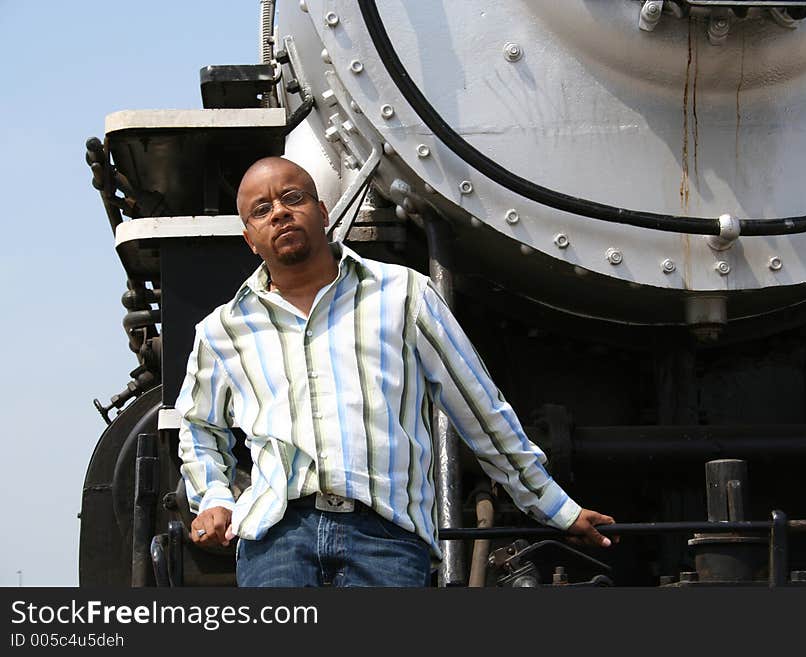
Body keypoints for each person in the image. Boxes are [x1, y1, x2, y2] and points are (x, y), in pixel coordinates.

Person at [176, 156, 616, 587]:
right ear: (250, 237)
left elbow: (481, 411)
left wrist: (555, 507)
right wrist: (213, 497)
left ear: (323, 211)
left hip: (385, 539)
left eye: (293, 197)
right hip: (276, 542)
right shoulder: (222, 330)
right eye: (262, 209)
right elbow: (198, 429)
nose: (281, 213)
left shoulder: (405, 295)